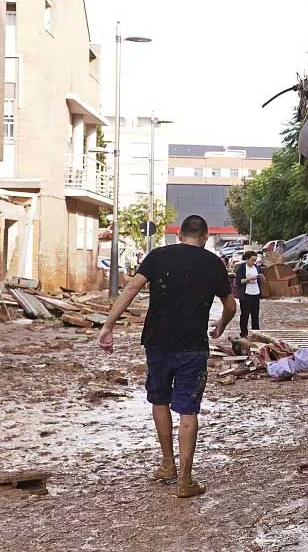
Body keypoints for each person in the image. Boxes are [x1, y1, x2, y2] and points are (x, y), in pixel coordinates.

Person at [97, 214, 236, 499]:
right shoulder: (214, 264)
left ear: (179, 235)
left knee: (159, 399)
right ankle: (186, 479)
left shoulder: (158, 255)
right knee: (188, 410)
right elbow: (230, 305)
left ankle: (167, 465)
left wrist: (108, 325)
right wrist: (221, 324)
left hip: (157, 343)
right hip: (193, 346)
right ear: (206, 237)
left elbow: (132, 288)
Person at [235, 251, 262, 335]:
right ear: (247, 259)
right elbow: (239, 281)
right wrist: (250, 279)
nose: (254, 262)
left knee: (255, 314)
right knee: (245, 314)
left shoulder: (257, 268)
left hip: (256, 293)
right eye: (252, 260)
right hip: (246, 294)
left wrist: (261, 277)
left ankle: (256, 333)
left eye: (255, 260)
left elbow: (259, 279)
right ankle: (244, 333)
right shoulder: (242, 268)